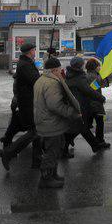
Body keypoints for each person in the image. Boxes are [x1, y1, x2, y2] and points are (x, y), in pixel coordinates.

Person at [33, 58, 83, 189]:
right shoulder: (52, 83)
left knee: (55, 149)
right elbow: (55, 105)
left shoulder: (41, 79)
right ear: (54, 70)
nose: (61, 72)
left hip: (46, 121)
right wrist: (71, 112)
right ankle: (46, 179)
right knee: (52, 152)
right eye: (60, 70)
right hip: (51, 123)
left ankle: (53, 174)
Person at [0, 43, 42, 171]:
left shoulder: (26, 63)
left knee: (35, 132)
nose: (35, 51)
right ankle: (9, 153)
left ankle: (37, 162)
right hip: (28, 103)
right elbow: (36, 81)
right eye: (34, 50)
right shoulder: (26, 65)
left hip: (27, 102)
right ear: (30, 52)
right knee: (35, 132)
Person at [64, 57, 108, 152]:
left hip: (79, 104)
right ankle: (97, 143)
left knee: (82, 127)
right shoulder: (84, 77)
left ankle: (95, 145)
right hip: (86, 104)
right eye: (98, 66)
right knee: (85, 126)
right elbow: (91, 90)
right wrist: (101, 98)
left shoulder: (71, 75)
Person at [84, 58, 109, 146]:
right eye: (98, 66)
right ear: (94, 67)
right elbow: (96, 90)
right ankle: (100, 141)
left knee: (86, 124)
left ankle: (69, 140)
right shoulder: (94, 77)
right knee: (99, 122)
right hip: (95, 103)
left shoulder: (88, 75)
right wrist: (101, 98)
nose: (100, 67)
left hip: (89, 103)